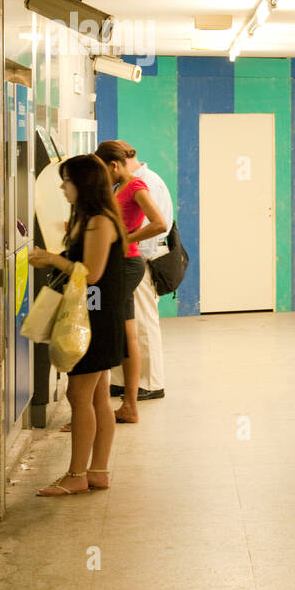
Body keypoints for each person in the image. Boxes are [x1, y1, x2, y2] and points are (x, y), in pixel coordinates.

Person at [27, 154, 127, 496]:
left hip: (94, 318)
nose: (62, 186)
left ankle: (76, 475)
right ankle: (97, 472)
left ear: (83, 184)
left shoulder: (100, 221)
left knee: (78, 394)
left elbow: (93, 274)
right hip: (95, 314)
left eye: (66, 180)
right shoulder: (88, 219)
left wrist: (52, 258)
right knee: (98, 396)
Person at [92, 141, 168, 425]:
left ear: (113, 165)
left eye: (104, 170)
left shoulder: (136, 187)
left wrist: (124, 238)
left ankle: (100, 407)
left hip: (126, 264)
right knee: (126, 334)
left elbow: (159, 223)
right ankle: (129, 406)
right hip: (118, 263)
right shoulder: (117, 188)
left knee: (109, 332)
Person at [108, 140, 174, 402]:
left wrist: (129, 243)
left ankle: (151, 382)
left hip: (144, 260)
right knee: (131, 324)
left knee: (144, 324)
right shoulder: (131, 181)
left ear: (117, 163)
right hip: (136, 258)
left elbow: (155, 225)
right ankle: (127, 381)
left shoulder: (145, 183)